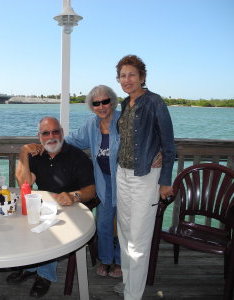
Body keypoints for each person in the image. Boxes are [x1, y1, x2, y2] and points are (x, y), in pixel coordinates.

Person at [8, 116, 96, 298]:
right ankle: (31, 266)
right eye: (45, 133)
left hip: (73, 209)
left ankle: (44, 275)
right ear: (39, 136)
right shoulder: (37, 155)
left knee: (49, 230)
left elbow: (91, 191)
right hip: (46, 205)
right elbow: (25, 183)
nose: (51, 136)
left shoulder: (77, 156)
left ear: (62, 133)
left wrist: (74, 196)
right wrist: (24, 152)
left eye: (55, 131)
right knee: (20, 220)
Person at [114, 55, 175, 300]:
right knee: (126, 234)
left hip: (145, 177)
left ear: (142, 77)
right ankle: (129, 285)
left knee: (138, 241)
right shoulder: (123, 103)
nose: (127, 80)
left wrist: (165, 182)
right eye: (122, 75)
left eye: (131, 75)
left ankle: (133, 295)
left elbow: (169, 145)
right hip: (123, 174)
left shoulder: (154, 102)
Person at [65, 85, 123, 278]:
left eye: (105, 101)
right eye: (96, 103)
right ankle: (106, 260)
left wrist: (157, 153)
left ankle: (121, 261)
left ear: (112, 101)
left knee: (126, 223)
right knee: (103, 221)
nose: (101, 106)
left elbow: (145, 139)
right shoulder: (91, 125)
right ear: (92, 106)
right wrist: (45, 142)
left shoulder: (124, 120)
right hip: (105, 180)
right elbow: (71, 140)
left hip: (126, 181)